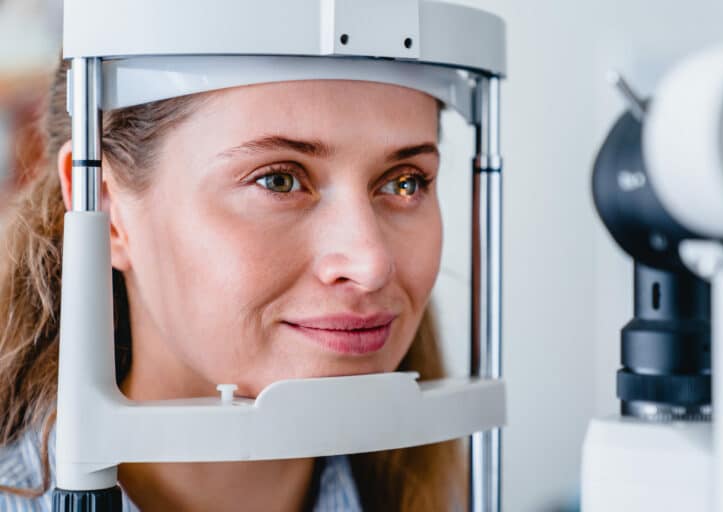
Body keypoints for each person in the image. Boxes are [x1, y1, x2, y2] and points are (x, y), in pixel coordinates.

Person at [0, 58, 465, 511]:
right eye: (279, 180)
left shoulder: (452, 495)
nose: (371, 264)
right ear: (106, 209)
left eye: (405, 184)